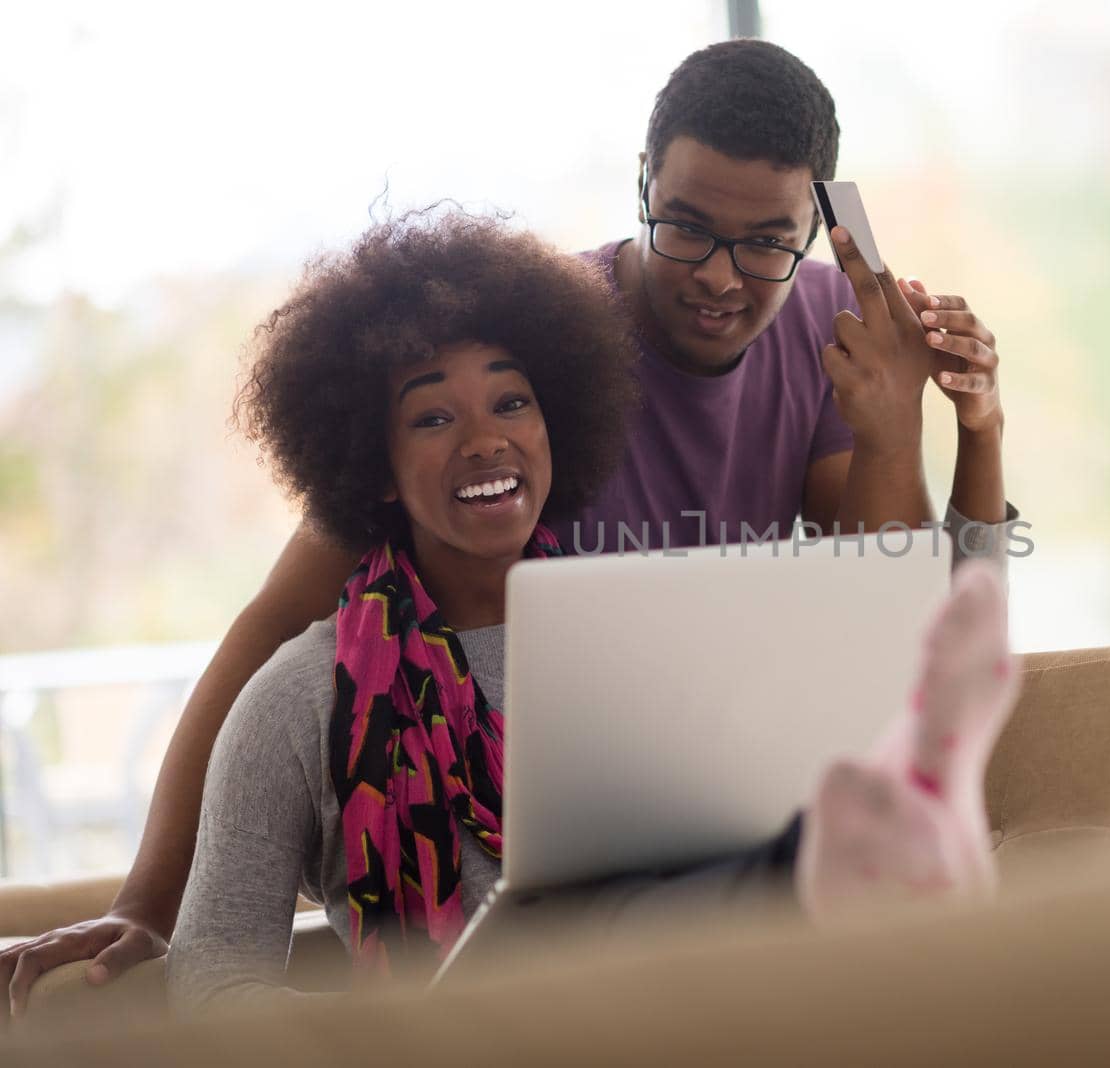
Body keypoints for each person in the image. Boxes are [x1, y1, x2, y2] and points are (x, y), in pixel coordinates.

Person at [1, 38, 1015, 1014]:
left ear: (821, 225)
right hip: (534, 892)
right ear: (642, 188)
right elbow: (275, 635)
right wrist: (145, 904)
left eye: (766, 242)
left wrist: (920, 430)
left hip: (696, 810)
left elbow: (879, 623)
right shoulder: (522, 346)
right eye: (686, 226)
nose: (718, 274)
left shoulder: (836, 329)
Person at [162, 212, 1019, 1008]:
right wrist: (403, 1039)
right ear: (375, 468)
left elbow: (887, 628)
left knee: (755, 859)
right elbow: (208, 988)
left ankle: (888, 844)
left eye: (511, 402)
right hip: (462, 1033)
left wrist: (979, 433)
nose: (485, 440)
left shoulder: (639, 635)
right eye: (432, 417)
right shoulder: (296, 701)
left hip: (668, 1013)